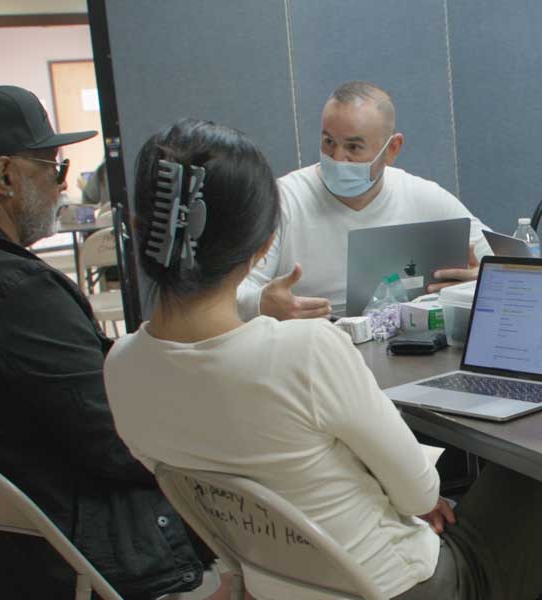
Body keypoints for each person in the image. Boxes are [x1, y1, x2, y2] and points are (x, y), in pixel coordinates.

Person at [105, 117, 542, 600]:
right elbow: (419, 495)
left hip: (276, 584)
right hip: (406, 586)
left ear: (137, 228)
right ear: (264, 242)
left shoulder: (121, 366)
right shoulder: (305, 350)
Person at [0, 85, 219, 600]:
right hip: (66, 554)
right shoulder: (14, 290)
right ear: (5, 176)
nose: (62, 186)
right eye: (54, 168)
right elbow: (121, 447)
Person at [237, 81, 491, 322]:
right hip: (314, 343)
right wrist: (260, 303)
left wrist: (479, 279)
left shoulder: (421, 195)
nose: (337, 157)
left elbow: (508, 263)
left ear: (392, 149)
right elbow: (228, 293)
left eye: (354, 147)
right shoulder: (282, 200)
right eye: (328, 142)